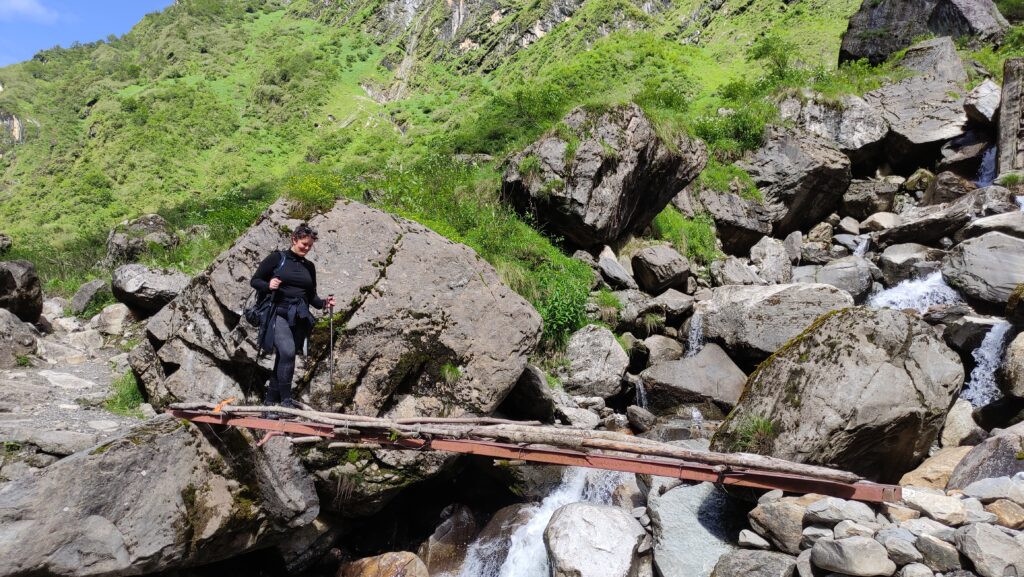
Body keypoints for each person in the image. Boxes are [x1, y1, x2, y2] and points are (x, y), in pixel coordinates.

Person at [250, 223, 335, 411]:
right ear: (294, 239)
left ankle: (270, 404)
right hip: (277, 313)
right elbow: (255, 280)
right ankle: (286, 402)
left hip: (298, 318)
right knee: (288, 353)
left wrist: (324, 303)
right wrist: (269, 285)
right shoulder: (277, 258)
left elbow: (311, 295)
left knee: (283, 358)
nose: (306, 248)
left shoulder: (309, 267)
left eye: (309, 246)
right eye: (304, 244)